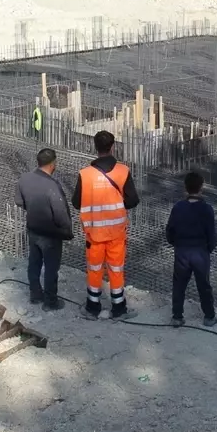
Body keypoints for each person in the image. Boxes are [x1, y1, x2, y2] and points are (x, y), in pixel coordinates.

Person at [71, 130, 140, 319]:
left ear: (95, 147)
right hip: (117, 232)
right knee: (116, 269)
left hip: (94, 233)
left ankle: (92, 307)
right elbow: (133, 200)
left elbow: (76, 202)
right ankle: (119, 308)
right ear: (113, 147)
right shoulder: (123, 171)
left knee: (94, 269)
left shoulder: (85, 174)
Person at [14, 147, 73, 311]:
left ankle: (35, 295)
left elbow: (19, 202)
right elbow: (60, 212)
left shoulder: (24, 179)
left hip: (33, 229)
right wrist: (67, 230)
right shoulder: (52, 185)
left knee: (34, 263)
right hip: (50, 234)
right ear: (53, 164)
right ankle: (50, 302)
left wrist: (33, 210)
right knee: (51, 268)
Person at [164, 170, 217, 327]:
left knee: (179, 284)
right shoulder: (207, 209)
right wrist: (209, 248)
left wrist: (176, 243)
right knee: (204, 285)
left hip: (182, 252)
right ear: (202, 188)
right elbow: (211, 234)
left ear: (185, 188)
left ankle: (177, 316)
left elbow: (170, 230)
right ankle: (209, 316)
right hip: (200, 253)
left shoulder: (178, 207)